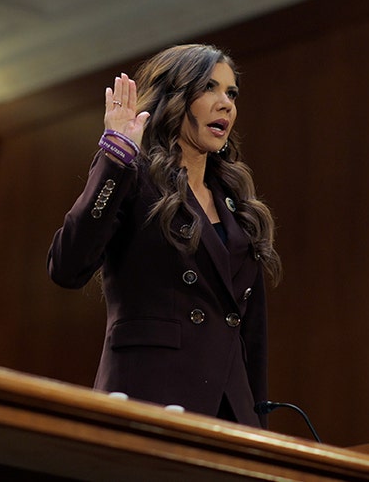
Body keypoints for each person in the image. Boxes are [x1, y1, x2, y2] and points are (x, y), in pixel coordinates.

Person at [48, 43, 282, 428]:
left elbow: (251, 336)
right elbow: (66, 266)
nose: (226, 103)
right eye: (209, 88)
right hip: (149, 394)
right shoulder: (132, 174)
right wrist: (115, 157)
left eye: (231, 93)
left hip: (229, 413)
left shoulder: (237, 199)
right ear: (176, 97)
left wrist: (258, 426)